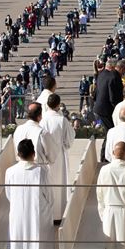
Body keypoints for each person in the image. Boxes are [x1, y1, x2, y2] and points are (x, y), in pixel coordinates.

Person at [5, 139, 55, 249]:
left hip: (18, 215)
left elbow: (8, 194)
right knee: (38, 247)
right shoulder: (42, 171)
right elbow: (50, 196)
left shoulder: (10, 171)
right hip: (38, 216)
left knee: (19, 244)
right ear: (34, 153)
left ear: (18, 153)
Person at [39, 93, 75, 224]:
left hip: (46, 157)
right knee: (59, 185)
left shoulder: (42, 120)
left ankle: (48, 214)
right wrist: (64, 145)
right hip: (59, 156)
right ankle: (58, 214)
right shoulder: (61, 120)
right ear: (58, 105)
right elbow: (69, 138)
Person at [94, 60, 123, 162]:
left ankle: (105, 156)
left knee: (109, 132)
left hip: (99, 108)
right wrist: (119, 109)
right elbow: (113, 98)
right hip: (106, 110)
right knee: (110, 132)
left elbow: (95, 92)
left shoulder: (101, 74)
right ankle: (104, 156)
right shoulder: (113, 77)